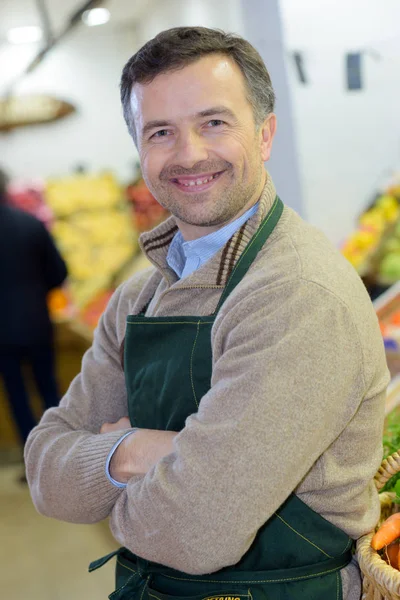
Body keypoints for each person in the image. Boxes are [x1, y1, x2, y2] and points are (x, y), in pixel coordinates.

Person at [25, 27, 389, 600]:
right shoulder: (135, 300)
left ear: (265, 134)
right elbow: (46, 475)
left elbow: (189, 531)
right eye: (161, 132)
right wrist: (142, 451)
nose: (188, 153)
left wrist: (106, 475)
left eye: (213, 123)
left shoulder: (298, 293)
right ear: (140, 150)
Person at [0, 168, 67, 450]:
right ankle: (61, 452)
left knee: (17, 396)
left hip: (1, 332)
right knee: (49, 389)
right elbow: (59, 272)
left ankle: (33, 460)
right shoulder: (30, 224)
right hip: (37, 321)